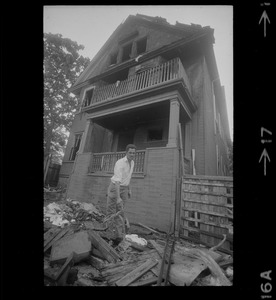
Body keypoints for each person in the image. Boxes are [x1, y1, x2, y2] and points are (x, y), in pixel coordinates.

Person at [106, 144, 137, 244]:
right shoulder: (120, 163)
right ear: (126, 152)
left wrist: (129, 189)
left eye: (133, 153)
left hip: (124, 188)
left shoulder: (132, 163)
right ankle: (109, 235)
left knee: (121, 211)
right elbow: (118, 181)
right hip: (115, 188)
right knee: (111, 212)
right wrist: (118, 197)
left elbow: (128, 177)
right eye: (130, 152)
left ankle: (118, 236)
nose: (132, 154)